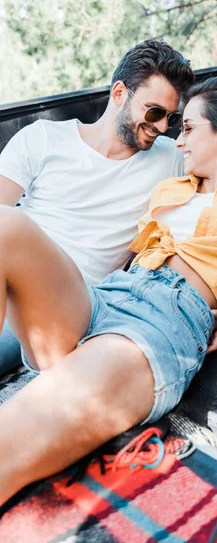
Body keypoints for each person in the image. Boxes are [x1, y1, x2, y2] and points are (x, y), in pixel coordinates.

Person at [0, 76, 217, 506]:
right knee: (6, 225)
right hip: (108, 297)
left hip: (163, 320)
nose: (174, 138)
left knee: (9, 442)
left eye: (186, 127)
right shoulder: (169, 188)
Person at [0, 39, 194, 373]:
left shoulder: (172, 158)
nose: (163, 126)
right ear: (120, 93)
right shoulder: (43, 138)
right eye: (155, 112)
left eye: (171, 118)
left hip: (70, 311)